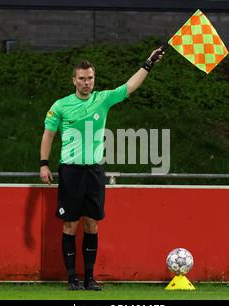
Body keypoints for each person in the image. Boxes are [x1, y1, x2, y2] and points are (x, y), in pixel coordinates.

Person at [39, 47, 165, 290]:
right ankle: (72, 279)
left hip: (94, 171)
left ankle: (89, 278)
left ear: (94, 79)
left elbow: (129, 86)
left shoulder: (102, 99)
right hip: (71, 171)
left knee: (92, 224)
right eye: (82, 78)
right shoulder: (61, 106)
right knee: (69, 225)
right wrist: (44, 164)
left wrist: (148, 63)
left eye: (90, 78)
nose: (87, 83)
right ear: (74, 80)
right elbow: (48, 135)